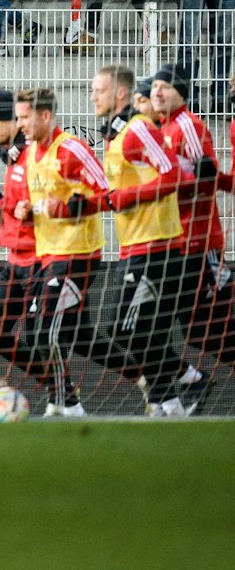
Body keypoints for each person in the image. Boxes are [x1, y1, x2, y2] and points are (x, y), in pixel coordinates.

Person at [17, 86, 144, 417]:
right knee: (81, 336)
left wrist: (70, 207)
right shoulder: (31, 153)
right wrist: (27, 209)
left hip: (77, 255)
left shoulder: (71, 149)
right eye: (18, 118)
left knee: (42, 331)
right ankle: (147, 377)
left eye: (25, 118)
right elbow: (44, 202)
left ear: (45, 115)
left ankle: (66, 403)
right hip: (47, 255)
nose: (20, 125)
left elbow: (107, 194)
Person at [93, 65, 198, 416]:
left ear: (121, 93)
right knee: (144, 330)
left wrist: (124, 198)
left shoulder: (138, 128)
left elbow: (172, 174)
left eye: (100, 90)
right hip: (133, 244)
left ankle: (184, 379)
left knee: (123, 328)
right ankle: (169, 402)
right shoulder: (116, 134)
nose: (93, 97)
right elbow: (116, 192)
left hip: (156, 244)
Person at [152, 66, 235, 370]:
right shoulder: (163, 130)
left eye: (165, 87)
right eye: (155, 86)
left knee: (208, 327)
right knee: (196, 331)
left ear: (181, 92)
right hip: (179, 242)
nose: (157, 92)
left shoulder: (188, 126)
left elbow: (209, 181)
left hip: (200, 241)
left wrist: (204, 178)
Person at [0, 88, 50, 390]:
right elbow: (19, 207)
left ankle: (64, 395)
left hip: (40, 259)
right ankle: (59, 386)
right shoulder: (12, 155)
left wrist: (1, 204)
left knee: (44, 337)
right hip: (16, 259)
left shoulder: (32, 154)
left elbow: (37, 206)